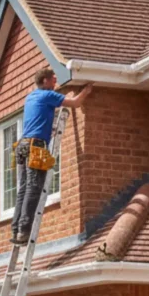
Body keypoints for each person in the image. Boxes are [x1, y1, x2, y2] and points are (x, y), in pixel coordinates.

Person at [11, 69, 93, 244]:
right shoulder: (48, 95)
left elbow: (41, 114)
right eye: (53, 80)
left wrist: (50, 125)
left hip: (22, 145)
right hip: (35, 146)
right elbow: (75, 103)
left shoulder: (31, 97)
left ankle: (16, 229)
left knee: (23, 188)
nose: (56, 83)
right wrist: (86, 90)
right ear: (45, 81)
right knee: (34, 187)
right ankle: (24, 231)